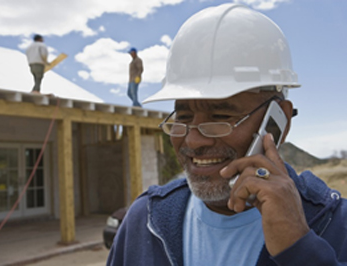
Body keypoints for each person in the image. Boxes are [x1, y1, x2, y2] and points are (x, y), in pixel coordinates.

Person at [107, 3, 347, 266]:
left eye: (221, 117)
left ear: (279, 121)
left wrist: (300, 250)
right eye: (184, 117)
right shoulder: (145, 220)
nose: (194, 141)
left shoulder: (336, 225)